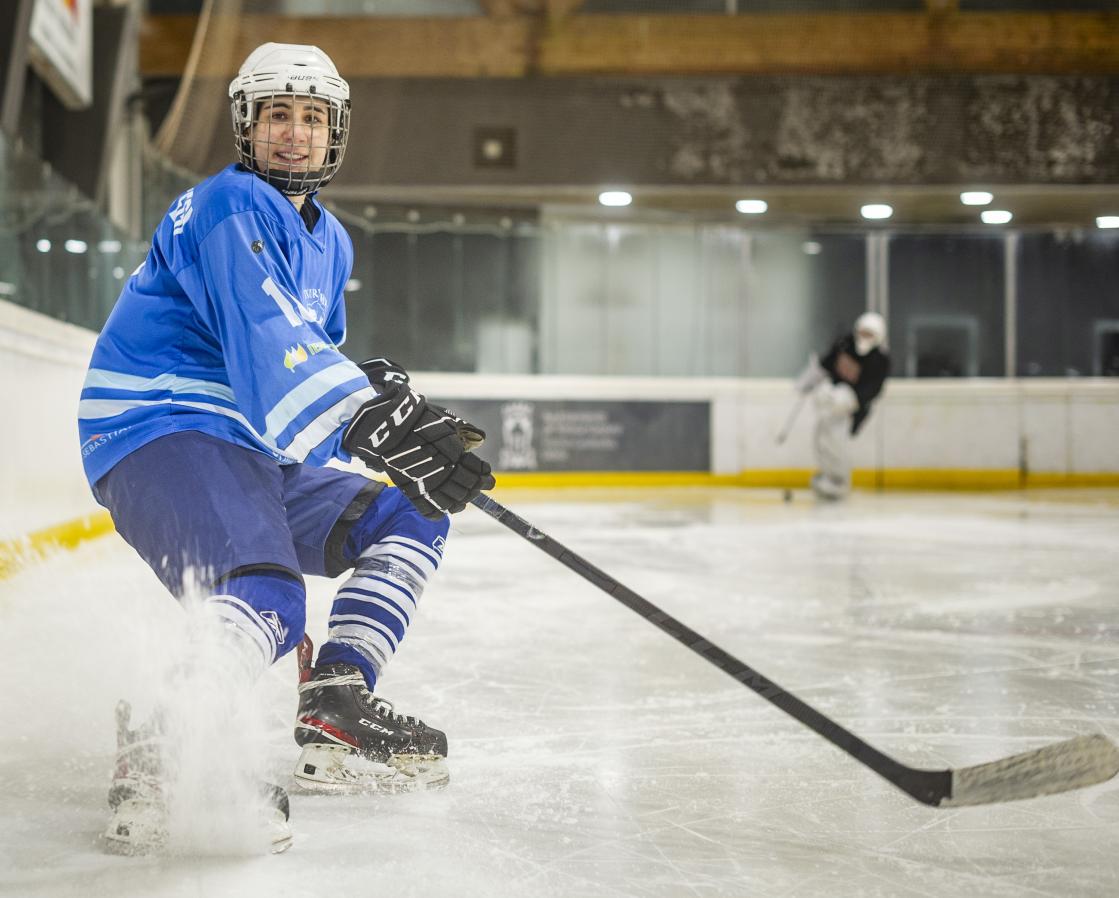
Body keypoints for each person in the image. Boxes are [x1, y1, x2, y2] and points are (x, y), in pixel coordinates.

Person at [77, 43, 494, 853]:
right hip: (158, 426)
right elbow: (267, 343)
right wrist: (362, 416)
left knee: (409, 514)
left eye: (311, 117)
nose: (294, 133)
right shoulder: (228, 205)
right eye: (277, 114)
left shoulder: (331, 241)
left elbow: (308, 354)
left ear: (334, 131)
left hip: (241, 440)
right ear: (247, 126)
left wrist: (373, 398)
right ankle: (161, 745)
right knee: (269, 596)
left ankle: (335, 702)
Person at [794, 312, 890, 501]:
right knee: (822, 436)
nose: (864, 337)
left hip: (851, 407)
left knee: (837, 439)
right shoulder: (844, 345)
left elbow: (873, 389)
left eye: (870, 334)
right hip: (831, 398)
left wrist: (852, 401)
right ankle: (827, 474)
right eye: (862, 332)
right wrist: (810, 380)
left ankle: (839, 480)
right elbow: (825, 364)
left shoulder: (880, 360)